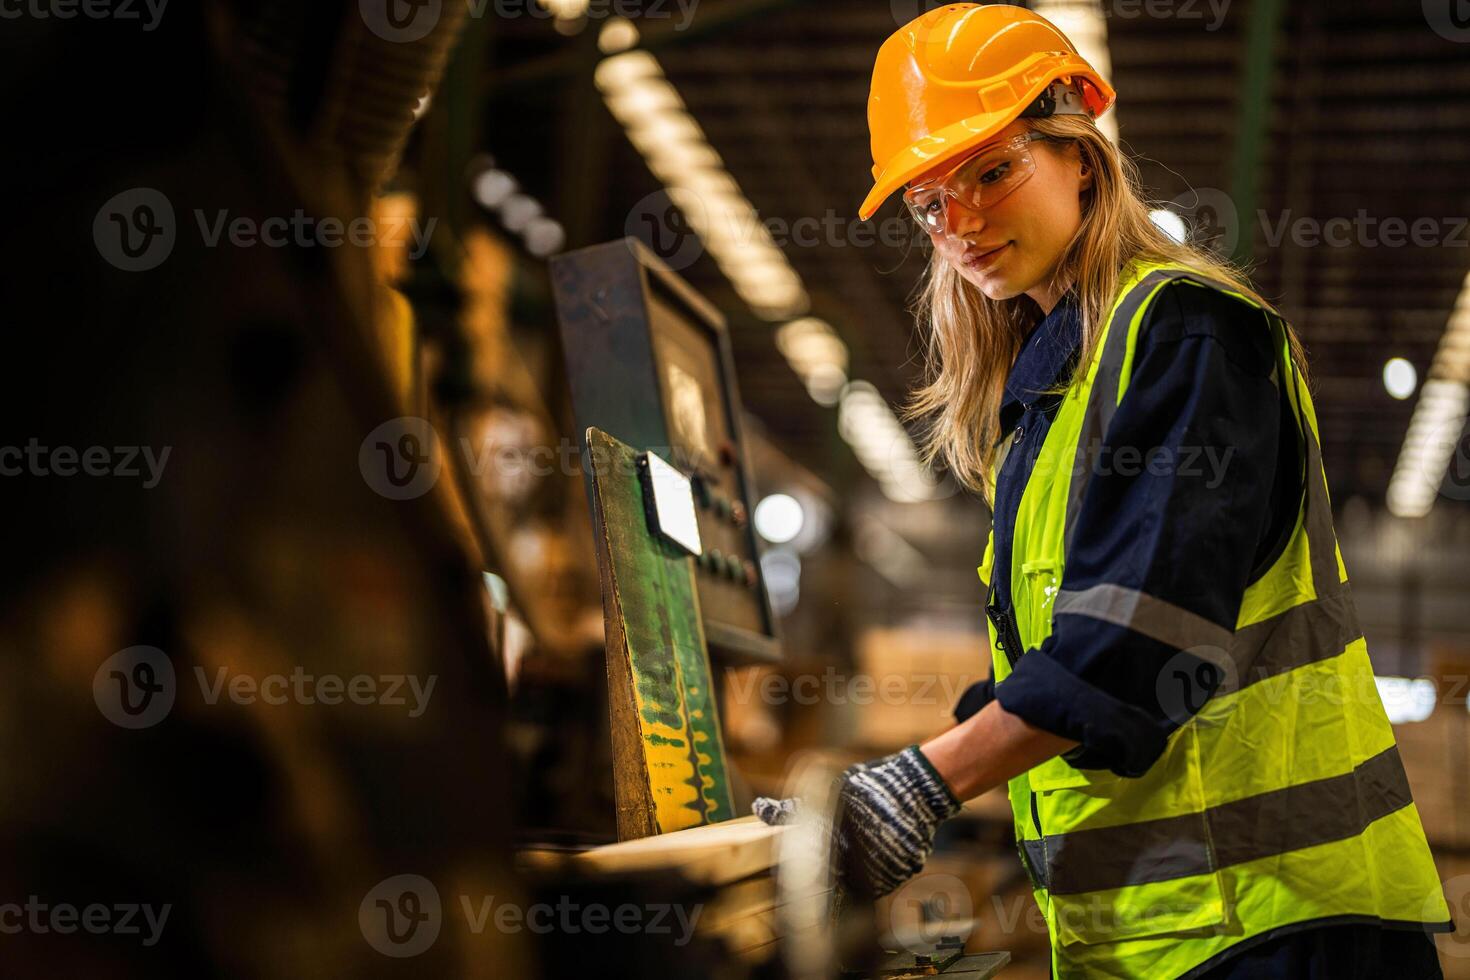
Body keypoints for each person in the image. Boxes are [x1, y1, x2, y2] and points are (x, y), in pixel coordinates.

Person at [753, 5, 1452, 978]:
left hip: (1278, 929)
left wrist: (920, 782)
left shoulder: (1186, 336)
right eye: (930, 202)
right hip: (1178, 934)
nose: (960, 224)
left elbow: (1132, 646)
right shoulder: (1058, 390)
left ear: (1081, 150)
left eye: (993, 171)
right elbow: (1058, 663)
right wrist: (874, 789)